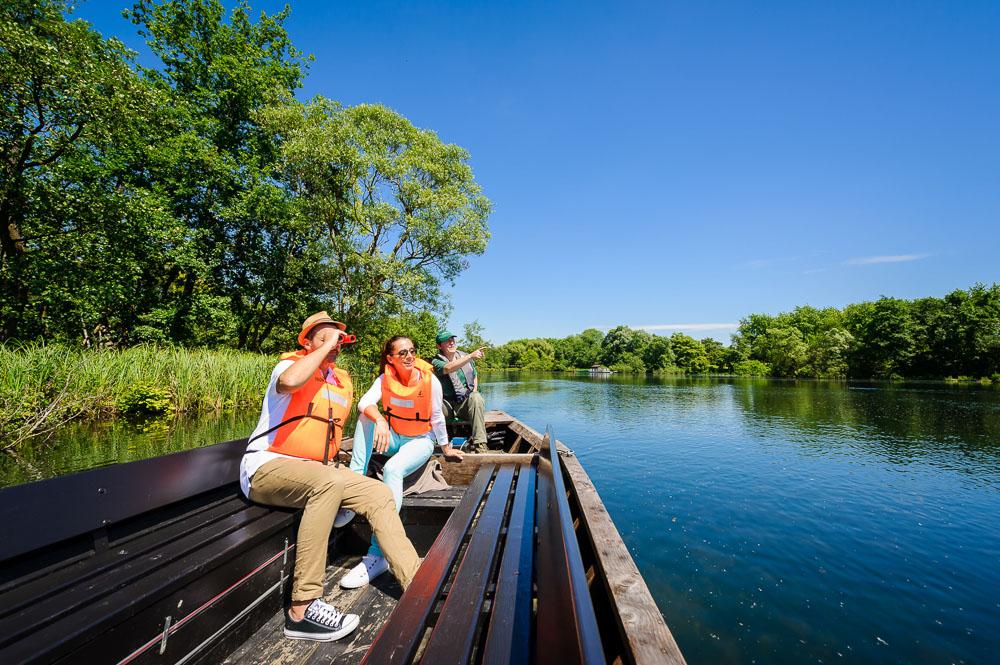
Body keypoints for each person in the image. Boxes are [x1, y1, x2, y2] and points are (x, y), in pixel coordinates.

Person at [240, 312, 421, 642]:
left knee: (378, 493)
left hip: (317, 474)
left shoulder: (338, 381)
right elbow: (293, 383)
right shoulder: (288, 367)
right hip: (265, 468)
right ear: (307, 343)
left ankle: (419, 584)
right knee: (329, 481)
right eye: (323, 339)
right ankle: (302, 609)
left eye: (337, 340)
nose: (334, 345)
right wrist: (323, 349)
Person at [338, 335, 464, 589]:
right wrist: (381, 421)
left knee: (393, 469)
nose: (409, 356)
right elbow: (364, 403)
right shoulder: (385, 378)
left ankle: (378, 554)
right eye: (403, 353)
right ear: (390, 359)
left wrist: (447, 448)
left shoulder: (430, 381)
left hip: (420, 440)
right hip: (395, 436)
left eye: (412, 351)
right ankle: (352, 490)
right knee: (365, 418)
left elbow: (438, 418)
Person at [432, 330, 488, 453]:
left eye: (452, 339)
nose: (451, 342)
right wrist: (470, 356)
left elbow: (474, 375)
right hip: (446, 406)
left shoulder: (465, 356)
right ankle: (432, 443)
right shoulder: (436, 361)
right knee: (430, 405)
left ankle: (481, 445)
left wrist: (474, 392)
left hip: (463, 404)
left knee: (476, 397)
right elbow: (448, 368)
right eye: (447, 341)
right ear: (439, 346)